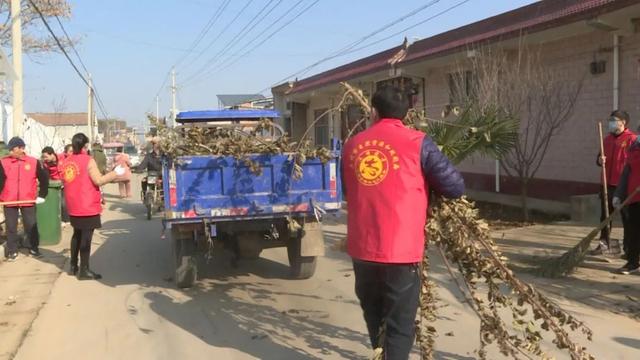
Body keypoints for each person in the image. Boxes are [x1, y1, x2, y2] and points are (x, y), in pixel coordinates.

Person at [342, 86, 464, 359]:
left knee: (375, 318)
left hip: (363, 251)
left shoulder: (352, 145)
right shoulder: (418, 142)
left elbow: (349, 191)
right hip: (401, 252)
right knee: (399, 327)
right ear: (407, 113)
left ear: (373, 112)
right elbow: (455, 187)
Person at [59, 133, 123, 279]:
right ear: (85, 145)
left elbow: (65, 179)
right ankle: (84, 270)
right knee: (86, 238)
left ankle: (73, 266)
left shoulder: (67, 161)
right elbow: (98, 180)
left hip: (73, 204)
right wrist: (114, 173)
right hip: (87, 204)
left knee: (77, 234)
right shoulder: (88, 160)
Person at [594, 110, 637, 255]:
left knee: (627, 218)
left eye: (614, 120)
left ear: (623, 122)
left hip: (624, 186)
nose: (610, 123)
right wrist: (600, 160)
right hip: (607, 184)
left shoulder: (632, 139)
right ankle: (604, 244)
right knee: (605, 217)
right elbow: (599, 158)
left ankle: (628, 248)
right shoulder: (606, 139)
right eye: (610, 120)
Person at [0, 137, 49, 260]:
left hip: (28, 200)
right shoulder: (3, 162)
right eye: (9, 149)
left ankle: (33, 248)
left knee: (30, 225)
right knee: (11, 226)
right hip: (9, 199)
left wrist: (42, 195)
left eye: (12, 149)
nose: (10, 151)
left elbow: (44, 178)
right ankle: (12, 250)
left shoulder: (33, 162)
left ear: (21, 148)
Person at [613, 138, 640, 274]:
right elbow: (626, 174)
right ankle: (633, 262)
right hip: (634, 198)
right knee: (634, 232)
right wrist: (618, 194)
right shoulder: (634, 148)